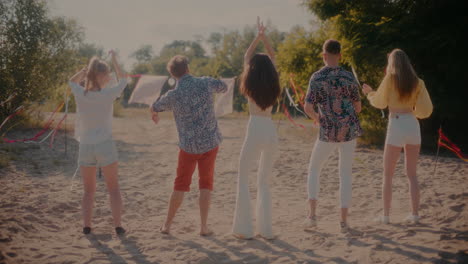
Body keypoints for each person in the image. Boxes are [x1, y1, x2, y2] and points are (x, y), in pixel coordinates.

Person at [150, 55, 227, 236]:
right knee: (206, 184)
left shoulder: (173, 95)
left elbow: (155, 106)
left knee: (180, 184)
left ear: (172, 74)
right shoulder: (205, 83)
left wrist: (153, 113)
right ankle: (203, 227)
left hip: (189, 148)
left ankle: (167, 226)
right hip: (210, 143)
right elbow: (223, 87)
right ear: (188, 68)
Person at [362, 49, 433, 224]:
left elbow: (379, 102)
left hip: (396, 124)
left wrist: (369, 93)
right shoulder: (418, 82)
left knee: (388, 174)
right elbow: (426, 110)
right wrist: (413, 113)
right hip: (412, 124)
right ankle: (415, 214)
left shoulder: (390, 79)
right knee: (412, 174)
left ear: (392, 63)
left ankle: (385, 216)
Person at [304, 39, 362, 233]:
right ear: (340, 55)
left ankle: (312, 217)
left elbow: (307, 107)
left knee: (314, 169)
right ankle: (343, 222)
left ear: (324, 55)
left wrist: (319, 119)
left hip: (327, 130)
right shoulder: (348, 76)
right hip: (349, 129)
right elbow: (358, 107)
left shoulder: (317, 77)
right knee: (345, 174)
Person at [232, 17, 281, 240]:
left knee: (243, 176)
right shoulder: (273, 81)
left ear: (252, 68)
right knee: (264, 181)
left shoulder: (249, 81)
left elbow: (246, 56)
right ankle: (266, 230)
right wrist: (265, 37)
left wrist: (257, 37)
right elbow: (273, 57)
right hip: (270, 130)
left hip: (254, 128)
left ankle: (244, 229)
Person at [68, 51, 127, 235]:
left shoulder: (80, 93)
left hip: (85, 146)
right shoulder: (108, 94)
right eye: (107, 73)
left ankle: (87, 226)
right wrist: (115, 59)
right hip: (104, 145)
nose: (110, 76)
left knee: (88, 191)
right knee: (114, 188)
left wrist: (85, 71)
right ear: (101, 76)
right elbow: (124, 79)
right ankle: (118, 226)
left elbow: (71, 81)